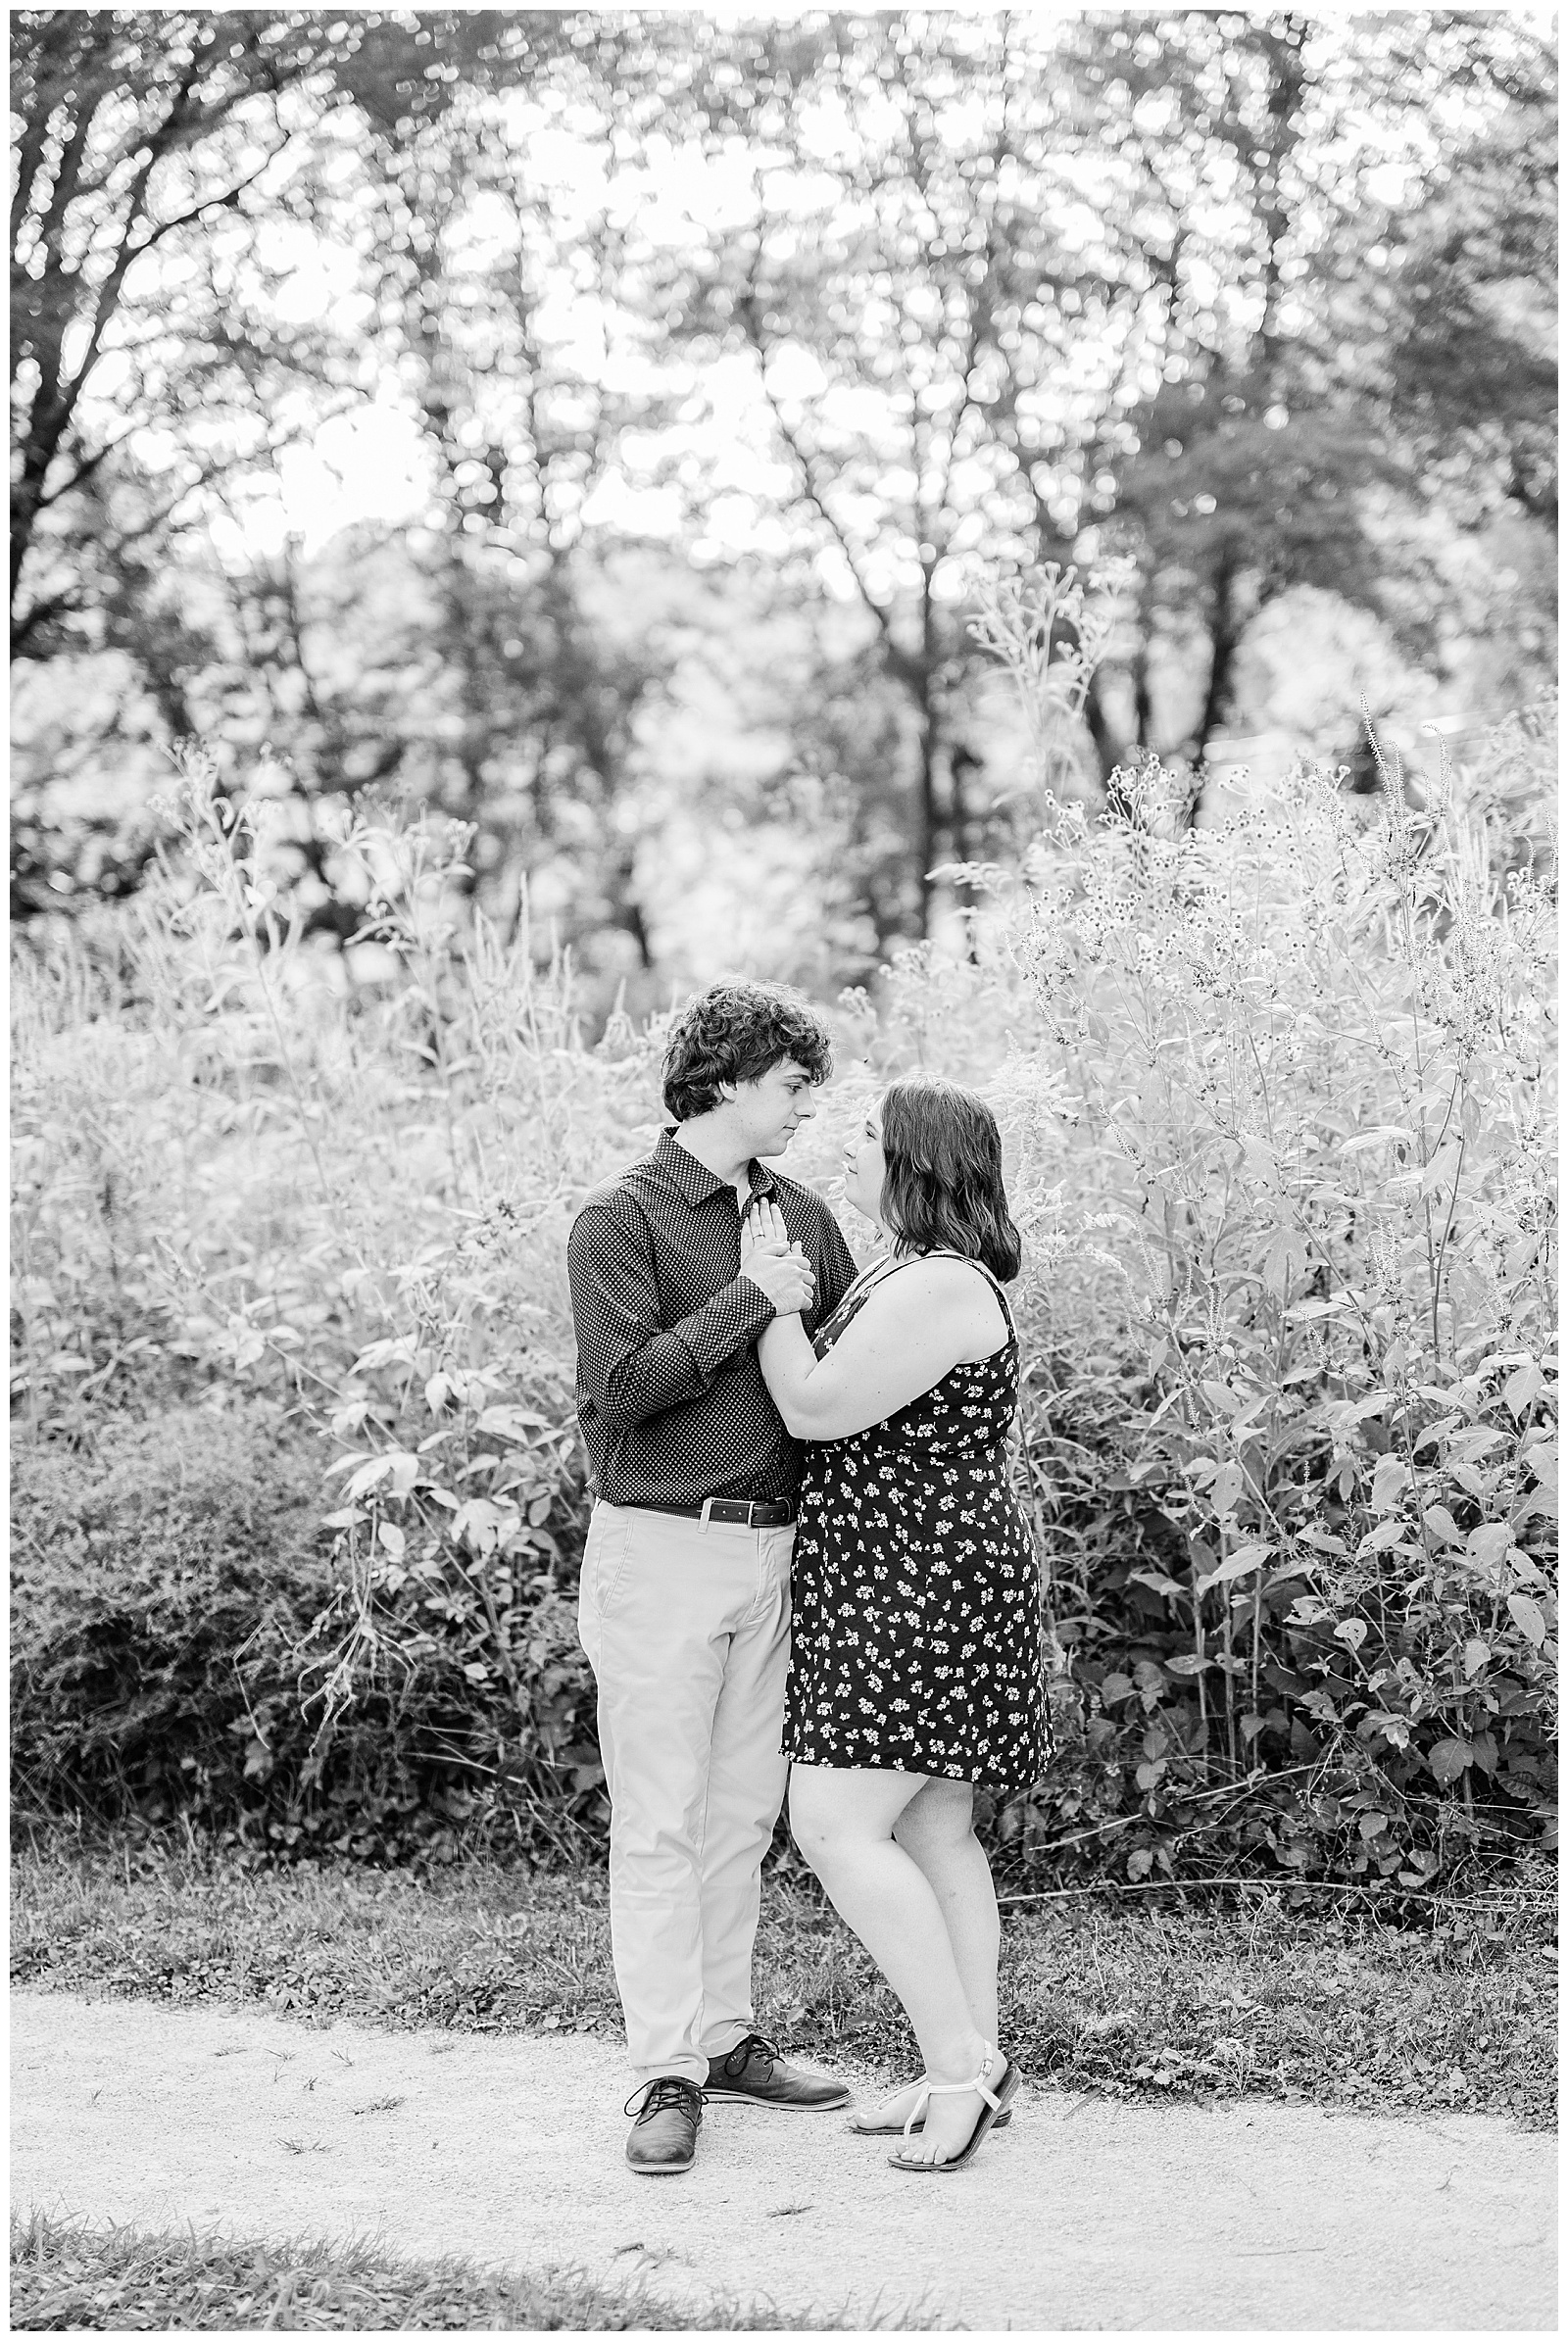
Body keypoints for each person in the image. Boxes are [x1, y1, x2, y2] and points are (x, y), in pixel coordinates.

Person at [566, 980, 860, 2176]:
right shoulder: (618, 1219)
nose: (806, 1104)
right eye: (793, 1083)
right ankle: (663, 2072)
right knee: (660, 1821)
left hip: (777, 1546)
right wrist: (752, 1298)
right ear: (729, 1076)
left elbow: (840, 1367)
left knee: (742, 1813)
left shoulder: (805, 1213)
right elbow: (620, 1394)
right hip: (659, 1546)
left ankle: (728, 2036)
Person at [750, 1072, 1051, 2175]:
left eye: (872, 1139)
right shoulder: (916, 1273)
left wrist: (769, 1294)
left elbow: (815, 1406)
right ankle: (966, 2066)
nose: (855, 1154)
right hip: (910, 1575)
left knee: (831, 1821)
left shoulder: (938, 1286)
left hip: (917, 1584)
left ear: (914, 1163)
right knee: (929, 1830)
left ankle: (957, 2066)